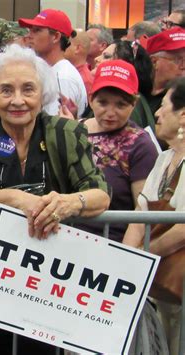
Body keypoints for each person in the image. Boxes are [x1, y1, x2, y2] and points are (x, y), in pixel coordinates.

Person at [0, 44, 110, 355]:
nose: (17, 100)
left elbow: (99, 194)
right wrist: (20, 199)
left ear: (43, 93)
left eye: (28, 89)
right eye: (6, 90)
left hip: (49, 280)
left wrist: (67, 203)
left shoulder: (64, 132)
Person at [123, 77, 185, 355]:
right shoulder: (163, 158)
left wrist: (143, 255)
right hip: (158, 285)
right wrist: (128, 257)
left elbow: (183, 228)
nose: (156, 113)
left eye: (163, 106)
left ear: (183, 115)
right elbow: (141, 211)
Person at [78, 60, 158, 242]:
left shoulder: (140, 145)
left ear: (134, 103)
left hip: (111, 244)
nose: (110, 112)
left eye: (120, 105)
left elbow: (142, 210)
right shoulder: (72, 131)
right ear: (91, 99)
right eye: (103, 102)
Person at [19, 9, 88, 117]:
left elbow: (55, 127)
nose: (29, 35)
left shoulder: (61, 77)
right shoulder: (55, 71)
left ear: (55, 37)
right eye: (30, 30)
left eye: (37, 30)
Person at [95, 39, 155, 129]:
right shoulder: (136, 99)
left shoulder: (131, 103)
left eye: (106, 56)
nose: (96, 59)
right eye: (103, 103)